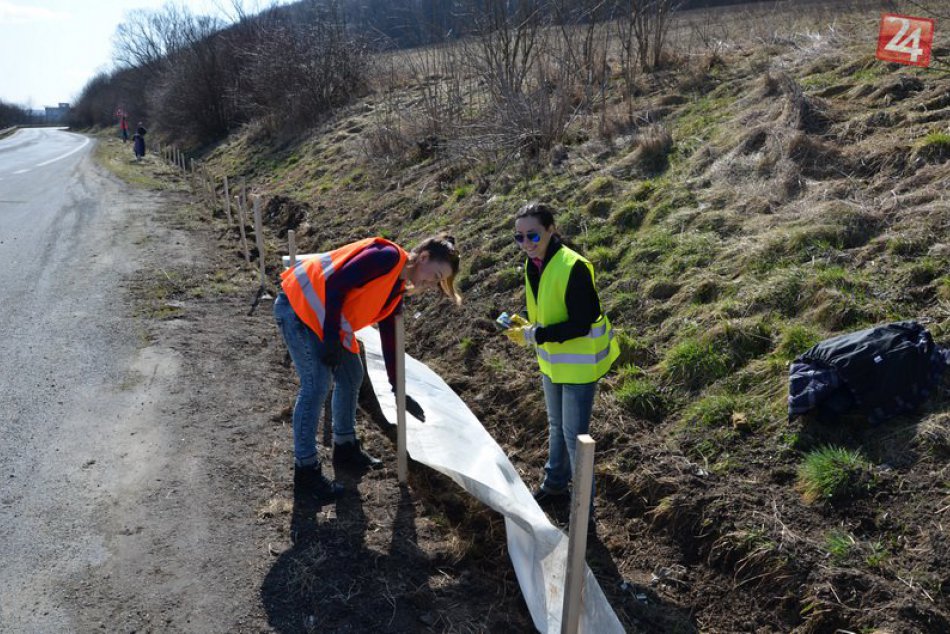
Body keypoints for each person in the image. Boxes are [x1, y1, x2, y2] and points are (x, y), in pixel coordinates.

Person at [273, 234, 462, 504]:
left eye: (439, 282)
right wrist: (329, 338)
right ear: (423, 258)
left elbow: (390, 338)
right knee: (317, 385)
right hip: (299, 307)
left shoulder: (396, 290)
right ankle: (305, 471)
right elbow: (335, 283)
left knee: (351, 375)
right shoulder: (385, 258)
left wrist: (398, 388)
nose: (432, 284)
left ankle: (345, 447)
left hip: (326, 317)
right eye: (436, 275)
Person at [503, 201, 619, 511]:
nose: (526, 244)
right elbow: (548, 313)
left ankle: (585, 513)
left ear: (551, 230)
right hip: (553, 361)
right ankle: (554, 486)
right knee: (556, 425)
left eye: (533, 236)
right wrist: (528, 328)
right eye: (519, 238)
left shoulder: (574, 266)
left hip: (579, 366)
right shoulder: (533, 264)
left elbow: (581, 324)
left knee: (575, 438)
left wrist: (537, 335)